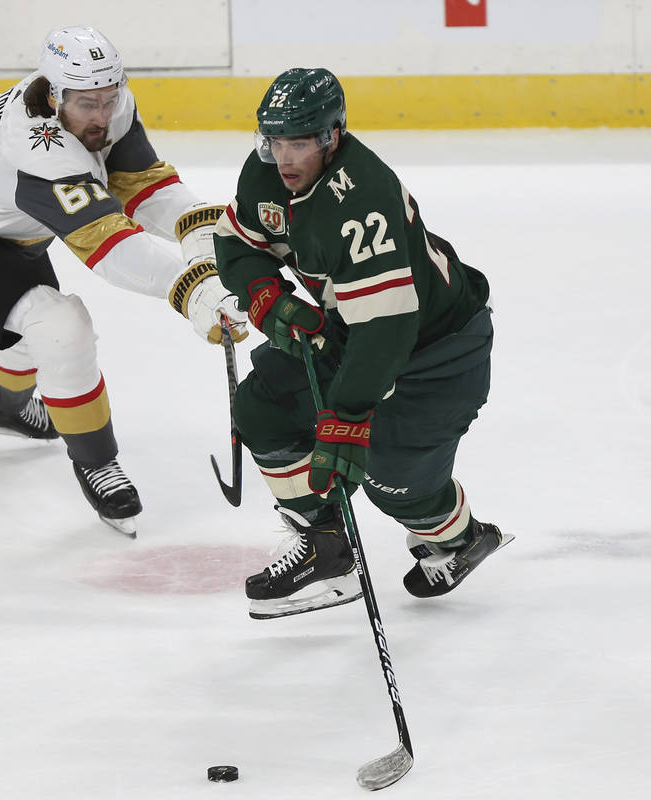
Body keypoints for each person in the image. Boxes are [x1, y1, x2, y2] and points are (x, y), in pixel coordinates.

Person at [0, 25, 247, 536]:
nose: (101, 116)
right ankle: (96, 460)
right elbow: (109, 245)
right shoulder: (35, 149)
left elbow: (139, 183)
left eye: (108, 99)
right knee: (60, 326)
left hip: (7, 224)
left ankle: (0, 405)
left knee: (26, 325)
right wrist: (194, 290)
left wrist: (204, 237)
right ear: (54, 96)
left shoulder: (99, 102)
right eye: (86, 105)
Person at [213, 68, 513, 619]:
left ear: (331, 137)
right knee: (262, 407)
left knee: (391, 482)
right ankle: (329, 552)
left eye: (299, 142)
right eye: (275, 140)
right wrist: (264, 293)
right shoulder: (265, 174)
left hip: (440, 350)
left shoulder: (363, 197)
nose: (284, 158)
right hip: (352, 327)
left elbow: (387, 330)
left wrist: (348, 415)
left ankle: (457, 540)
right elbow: (239, 240)